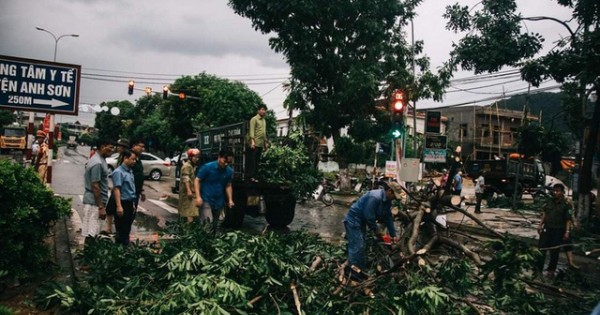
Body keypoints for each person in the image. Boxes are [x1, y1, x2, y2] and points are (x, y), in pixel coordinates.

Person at [343, 181, 402, 273]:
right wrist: (378, 232)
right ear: (390, 191)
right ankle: (353, 274)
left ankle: (361, 270)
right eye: (394, 195)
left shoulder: (387, 201)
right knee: (357, 246)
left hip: (362, 221)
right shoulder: (375, 197)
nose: (394, 198)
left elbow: (388, 218)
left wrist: (393, 235)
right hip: (353, 220)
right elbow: (369, 217)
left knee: (362, 245)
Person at [82, 139, 114, 245]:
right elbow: (95, 185)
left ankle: (88, 257)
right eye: (110, 147)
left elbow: (99, 182)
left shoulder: (100, 159)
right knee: (92, 233)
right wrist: (101, 207)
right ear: (102, 147)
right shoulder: (98, 163)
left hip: (94, 201)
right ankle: (87, 258)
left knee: (92, 232)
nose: (112, 150)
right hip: (94, 203)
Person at [537, 183, 573, 278]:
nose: (555, 193)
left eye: (558, 191)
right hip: (547, 228)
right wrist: (540, 225)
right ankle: (538, 269)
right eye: (554, 190)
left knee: (554, 251)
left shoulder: (566, 204)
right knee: (541, 249)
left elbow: (568, 219)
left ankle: (551, 270)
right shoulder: (549, 201)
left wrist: (567, 231)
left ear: (562, 192)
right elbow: (545, 214)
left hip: (558, 230)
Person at [194, 149, 235, 232]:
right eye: (225, 161)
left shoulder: (229, 171)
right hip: (206, 199)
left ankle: (211, 242)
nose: (226, 164)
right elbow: (197, 180)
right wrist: (198, 197)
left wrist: (230, 200)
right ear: (219, 157)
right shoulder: (207, 167)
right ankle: (205, 242)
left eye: (229, 162)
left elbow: (228, 185)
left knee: (214, 226)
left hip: (219, 201)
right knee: (207, 225)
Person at [102, 138, 130, 235]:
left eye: (120, 146)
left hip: (122, 188)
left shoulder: (126, 158)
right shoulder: (120, 157)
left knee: (115, 208)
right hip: (117, 186)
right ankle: (108, 227)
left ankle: (113, 229)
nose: (117, 148)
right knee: (110, 208)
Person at [111, 149, 138, 246]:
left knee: (127, 228)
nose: (134, 161)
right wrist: (119, 206)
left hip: (129, 203)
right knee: (121, 229)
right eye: (132, 159)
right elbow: (117, 189)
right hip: (122, 203)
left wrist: (133, 204)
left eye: (135, 160)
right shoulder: (118, 172)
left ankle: (124, 248)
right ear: (125, 158)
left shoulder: (130, 171)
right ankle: (119, 249)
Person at [246, 104, 268, 182]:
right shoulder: (254, 119)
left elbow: (264, 133)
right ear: (258, 110)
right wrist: (252, 141)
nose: (263, 111)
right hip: (254, 143)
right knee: (252, 161)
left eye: (264, 110)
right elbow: (251, 130)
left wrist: (265, 143)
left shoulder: (264, 120)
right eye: (262, 109)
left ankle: (255, 177)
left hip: (260, 144)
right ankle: (250, 177)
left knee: (257, 161)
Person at [179, 148, 201, 222]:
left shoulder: (192, 166)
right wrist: (188, 190)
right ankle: (188, 230)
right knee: (189, 212)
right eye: (195, 157)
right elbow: (186, 178)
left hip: (191, 192)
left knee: (191, 212)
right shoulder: (187, 166)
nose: (197, 159)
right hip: (187, 193)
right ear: (190, 157)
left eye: (198, 157)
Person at [129, 139, 146, 208]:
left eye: (143, 147)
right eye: (141, 147)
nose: (143, 149)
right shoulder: (129, 158)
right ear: (134, 146)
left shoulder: (138, 159)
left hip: (136, 192)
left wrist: (141, 190)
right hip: (129, 193)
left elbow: (138, 175)